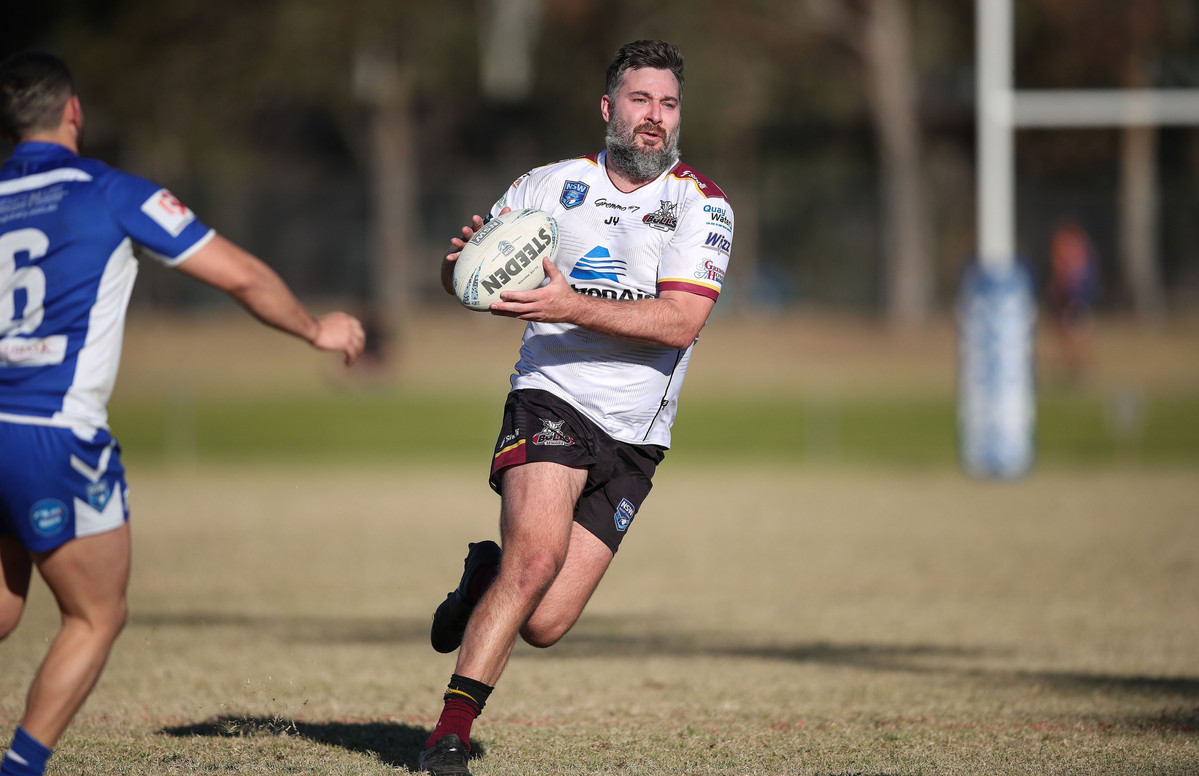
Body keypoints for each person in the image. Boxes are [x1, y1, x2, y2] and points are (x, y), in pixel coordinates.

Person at [0, 52, 365, 776]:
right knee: (96, 615)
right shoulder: (111, 192)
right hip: (54, 435)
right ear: (74, 112)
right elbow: (241, 275)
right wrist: (314, 329)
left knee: (6, 610)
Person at [420, 40, 734, 775]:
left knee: (546, 622)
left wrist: (569, 303)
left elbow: (679, 322)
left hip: (637, 433)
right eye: (640, 100)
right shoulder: (547, 185)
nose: (655, 117)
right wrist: (460, 269)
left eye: (668, 104)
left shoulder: (703, 205)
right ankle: (449, 733)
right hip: (551, 395)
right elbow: (467, 276)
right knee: (536, 558)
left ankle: (483, 576)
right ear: (607, 108)